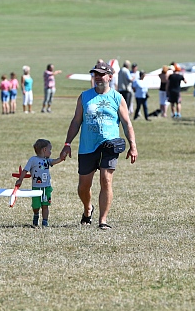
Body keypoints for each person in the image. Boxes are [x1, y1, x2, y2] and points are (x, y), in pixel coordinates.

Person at [59, 62, 137, 230]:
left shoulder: (117, 97)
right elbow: (76, 121)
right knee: (83, 186)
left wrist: (133, 145)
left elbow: (126, 123)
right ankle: (88, 209)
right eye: (95, 74)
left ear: (110, 77)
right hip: (87, 146)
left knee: (106, 180)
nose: (98, 77)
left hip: (110, 145)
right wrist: (67, 143)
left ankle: (103, 220)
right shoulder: (84, 96)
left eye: (102, 74)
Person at [14, 139, 64, 228]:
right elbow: (25, 170)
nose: (50, 152)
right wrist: (20, 180)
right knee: (36, 206)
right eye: (50, 149)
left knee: (45, 205)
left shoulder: (47, 160)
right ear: (44, 150)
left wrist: (62, 158)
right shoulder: (33, 160)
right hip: (36, 188)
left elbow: (55, 161)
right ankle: (36, 215)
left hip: (46, 187)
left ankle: (45, 222)